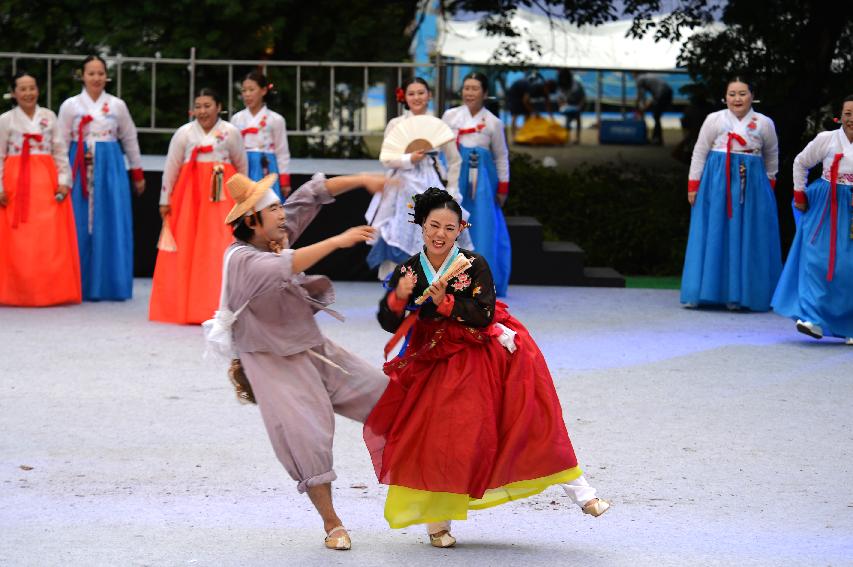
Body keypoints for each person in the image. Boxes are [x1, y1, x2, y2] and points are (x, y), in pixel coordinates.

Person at [364, 188, 609, 548]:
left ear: (460, 229)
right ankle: (437, 524)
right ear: (421, 225)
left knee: (529, 420)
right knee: (433, 438)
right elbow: (389, 321)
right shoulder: (409, 268)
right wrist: (398, 297)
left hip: (478, 356)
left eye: (450, 228)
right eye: (434, 225)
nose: (441, 234)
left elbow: (484, 314)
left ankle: (582, 491)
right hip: (432, 358)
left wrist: (445, 303)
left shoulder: (473, 263)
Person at [221, 171, 390, 550]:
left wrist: (363, 178)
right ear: (251, 221)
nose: (284, 215)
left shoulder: (272, 232)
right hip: (272, 362)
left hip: (312, 347)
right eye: (274, 209)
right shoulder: (242, 260)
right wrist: (339, 240)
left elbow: (313, 194)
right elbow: (290, 264)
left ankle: (429, 490)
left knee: (387, 398)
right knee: (307, 439)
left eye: (281, 207)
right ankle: (333, 524)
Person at [680, 77, 781, 311]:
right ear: (725, 97)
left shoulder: (764, 123)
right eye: (732, 94)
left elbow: (772, 155)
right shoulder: (714, 119)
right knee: (715, 230)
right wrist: (693, 185)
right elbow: (700, 151)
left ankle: (743, 295)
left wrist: (768, 186)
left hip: (752, 184)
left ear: (752, 95)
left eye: (742, 93)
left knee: (748, 234)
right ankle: (706, 292)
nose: (737, 98)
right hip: (716, 182)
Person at [149, 87, 247, 324]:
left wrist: (244, 198)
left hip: (221, 198)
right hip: (189, 198)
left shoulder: (230, 132)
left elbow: (241, 166)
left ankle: (220, 306)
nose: (202, 111)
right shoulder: (184, 133)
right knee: (187, 247)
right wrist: (165, 199)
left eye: (208, 105)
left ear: (219, 107)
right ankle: (185, 305)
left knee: (219, 247)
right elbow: (171, 168)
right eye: (198, 106)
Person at [366, 77, 472, 281]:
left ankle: (431, 283)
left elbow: (455, 160)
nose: (417, 97)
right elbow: (386, 158)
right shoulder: (396, 124)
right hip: (401, 183)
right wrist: (408, 159)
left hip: (430, 179)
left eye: (421, 92)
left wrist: (452, 189)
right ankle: (398, 284)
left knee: (434, 227)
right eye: (411, 93)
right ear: (404, 97)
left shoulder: (438, 124)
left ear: (429, 95)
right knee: (399, 229)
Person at [58, 55, 145, 301]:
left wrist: (137, 172)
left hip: (110, 166)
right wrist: (61, 175)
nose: (96, 78)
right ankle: (75, 284)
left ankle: (109, 284)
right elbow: (60, 142)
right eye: (91, 73)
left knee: (111, 219)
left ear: (106, 76)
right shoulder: (70, 106)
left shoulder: (117, 105)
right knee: (77, 222)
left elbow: (129, 138)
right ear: (82, 76)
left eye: (100, 73)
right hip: (78, 164)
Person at [771, 95, 853, 345]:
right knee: (815, 258)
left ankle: (849, 325)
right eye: (848, 113)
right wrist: (799, 194)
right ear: (841, 115)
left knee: (848, 266)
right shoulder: (826, 139)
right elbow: (800, 162)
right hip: (826, 205)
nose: (852, 119)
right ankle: (811, 318)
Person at [0, 71, 80, 306]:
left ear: (38, 90)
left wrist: (64, 181)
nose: (28, 93)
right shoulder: (5, 120)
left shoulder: (49, 116)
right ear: (14, 93)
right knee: (18, 238)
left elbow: (59, 150)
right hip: (16, 180)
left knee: (48, 237)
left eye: (32, 88)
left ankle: (50, 291)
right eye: (22, 89)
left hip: (46, 180)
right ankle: (18, 291)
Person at [442, 72, 512, 296]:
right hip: (454, 178)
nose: (469, 93)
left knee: (482, 228)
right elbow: (439, 148)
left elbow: (501, 156)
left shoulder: (493, 123)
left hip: (481, 183)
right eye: (466, 88)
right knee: (450, 225)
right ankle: (448, 279)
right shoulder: (450, 116)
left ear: (485, 93)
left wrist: (503, 186)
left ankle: (481, 283)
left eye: (474, 88)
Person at [230, 71, 291, 199]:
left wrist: (284, 180)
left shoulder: (276, 119)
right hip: (243, 166)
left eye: (251, 90)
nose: (247, 94)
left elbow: (282, 151)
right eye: (244, 90)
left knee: (267, 202)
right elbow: (233, 150)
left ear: (263, 91)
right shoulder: (236, 119)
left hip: (267, 165)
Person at [506, 71, 555, 137]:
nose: (548, 93)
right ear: (546, 87)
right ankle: (513, 136)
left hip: (523, 94)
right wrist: (534, 111)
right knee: (515, 114)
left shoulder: (546, 92)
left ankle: (525, 132)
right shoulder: (534, 87)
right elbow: (525, 101)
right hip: (515, 92)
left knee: (527, 113)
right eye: (548, 91)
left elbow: (548, 105)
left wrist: (552, 119)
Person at [634, 72, 673, 145]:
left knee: (656, 116)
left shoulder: (639, 79)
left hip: (662, 93)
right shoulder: (647, 76)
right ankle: (657, 138)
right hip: (668, 91)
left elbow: (641, 97)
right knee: (656, 116)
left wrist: (640, 108)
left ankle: (656, 139)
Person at [557, 69, 586, 144]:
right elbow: (560, 97)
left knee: (577, 119)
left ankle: (577, 138)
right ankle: (567, 137)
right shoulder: (561, 84)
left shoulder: (576, 83)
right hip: (568, 105)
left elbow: (583, 96)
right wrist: (561, 105)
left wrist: (580, 106)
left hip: (577, 103)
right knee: (568, 120)